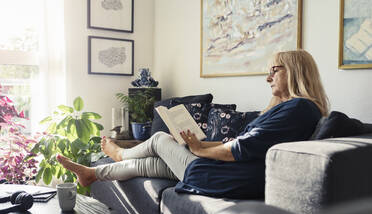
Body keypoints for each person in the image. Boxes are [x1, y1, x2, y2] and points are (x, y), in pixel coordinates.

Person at [57, 49, 329, 199]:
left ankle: (118, 153)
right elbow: (232, 143)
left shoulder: (300, 108)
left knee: (160, 140)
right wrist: (194, 143)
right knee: (153, 163)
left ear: (295, 72)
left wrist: (198, 150)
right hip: (224, 169)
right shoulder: (290, 109)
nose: (268, 78)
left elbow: (242, 149)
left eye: (275, 70)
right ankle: (93, 174)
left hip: (227, 178)